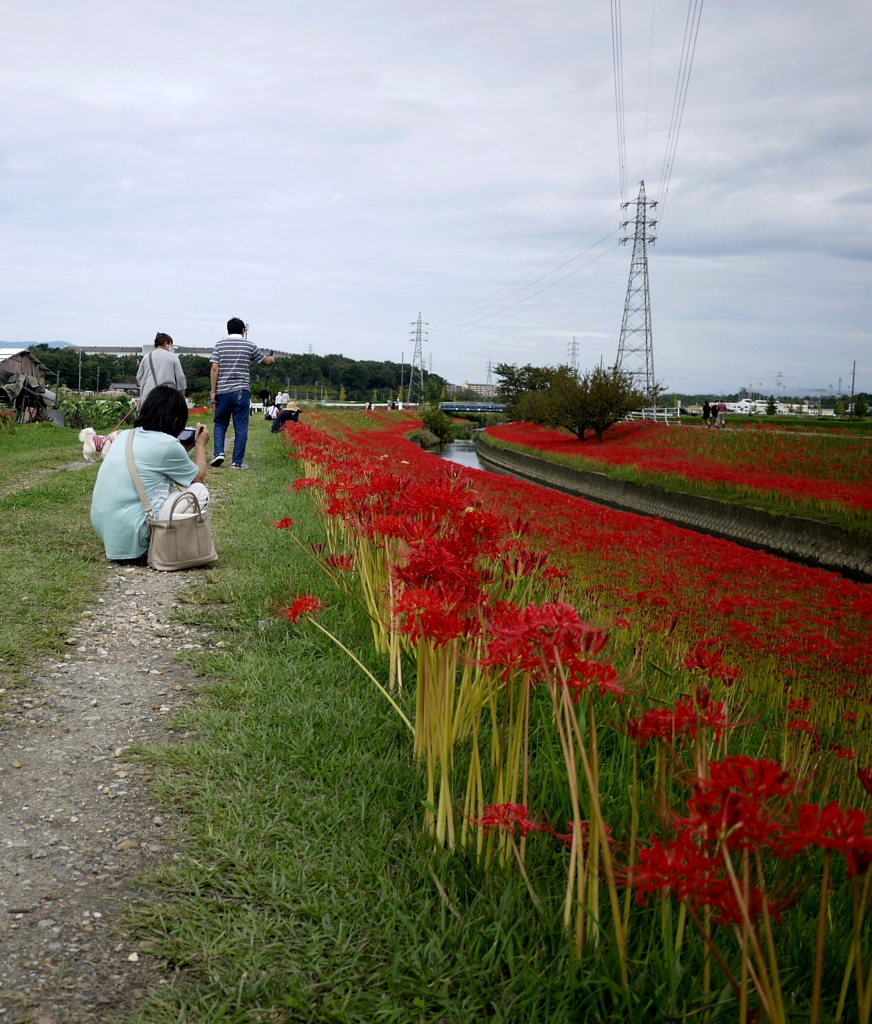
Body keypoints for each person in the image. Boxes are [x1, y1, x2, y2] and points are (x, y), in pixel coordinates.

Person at [90, 385, 210, 562]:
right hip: (135, 530)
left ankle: (128, 544)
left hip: (106, 526)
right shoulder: (168, 444)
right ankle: (158, 544)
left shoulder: (125, 435)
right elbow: (197, 477)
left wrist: (183, 449)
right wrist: (200, 445)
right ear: (177, 421)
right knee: (199, 491)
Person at [209, 317, 275, 469]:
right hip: (241, 390)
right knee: (241, 427)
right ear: (243, 331)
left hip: (223, 391)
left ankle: (218, 453)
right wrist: (272, 359)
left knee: (220, 423)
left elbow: (215, 368)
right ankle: (237, 462)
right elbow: (265, 361)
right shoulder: (249, 345)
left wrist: (213, 390)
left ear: (228, 330)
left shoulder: (219, 345)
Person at [136, 333, 186, 405]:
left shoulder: (146, 357)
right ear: (166, 343)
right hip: (167, 396)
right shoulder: (173, 357)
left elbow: (139, 377)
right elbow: (180, 377)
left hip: (148, 397)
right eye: (170, 345)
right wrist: (182, 393)